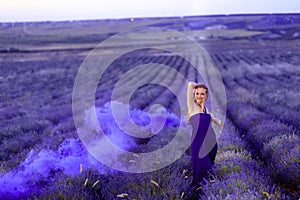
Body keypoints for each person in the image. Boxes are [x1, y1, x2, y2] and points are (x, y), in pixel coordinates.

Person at [187, 82, 222, 185]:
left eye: (202, 94)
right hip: (198, 142)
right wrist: (196, 87)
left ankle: (209, 191)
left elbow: (216, 121)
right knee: (202, 168)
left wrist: (219, 122)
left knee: (210, 165)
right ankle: (202, 191)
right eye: (197, 93)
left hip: (211, 141)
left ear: (206, 96)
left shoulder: (206, 110)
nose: (199, 96)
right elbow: (190, 85)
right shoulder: (192, 107)